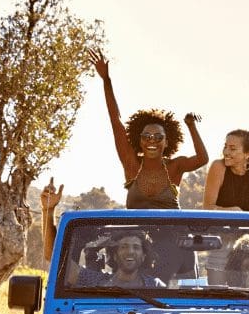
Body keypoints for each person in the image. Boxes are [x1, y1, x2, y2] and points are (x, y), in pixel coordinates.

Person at [85, 47, 207, 209]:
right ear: (140, 141)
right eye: (146, 136)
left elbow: (202, 159)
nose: (152, 140)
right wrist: (106, 80)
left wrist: (191, 126)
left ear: (167, 143)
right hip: (136, 234)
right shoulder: (131, 163)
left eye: (158, 137)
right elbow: (116, 120)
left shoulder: (175, 166)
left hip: (170, 233)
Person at [203, 130, 249, 212]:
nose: (226, 152)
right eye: (225, 147)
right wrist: (233, 212)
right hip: (220, 224)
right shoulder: (217, 166)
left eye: (232, 149)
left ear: (247, 154)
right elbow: (207, 207)